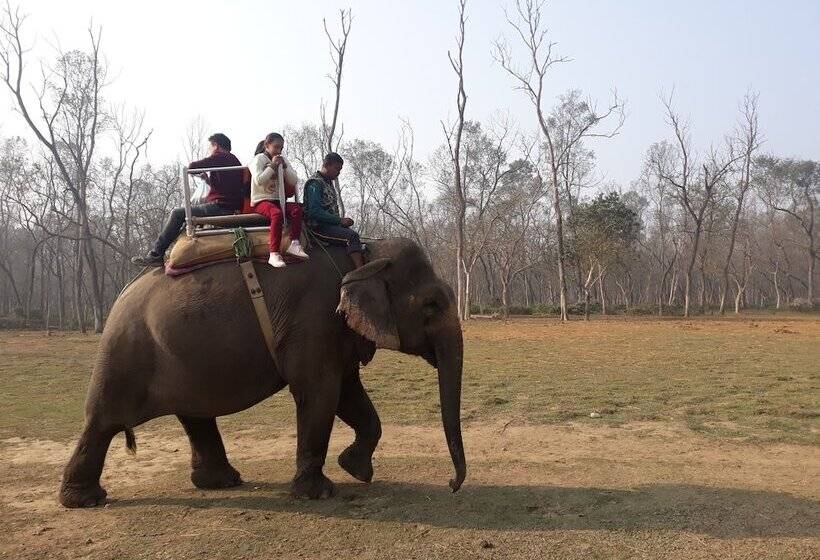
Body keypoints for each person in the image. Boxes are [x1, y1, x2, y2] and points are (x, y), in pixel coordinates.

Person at [132, 133, 246, 266]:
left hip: (222, 208)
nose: (209, 150)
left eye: (210, 147)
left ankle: (156, 254)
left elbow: (192, 166)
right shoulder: (233, 160)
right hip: (229, 206)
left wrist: (205, 164)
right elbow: (225, 189)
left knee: (177, 213)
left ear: (216, 146)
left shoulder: (221, 157)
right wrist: (207, 180)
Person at [249, 132, 308, 267]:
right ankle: (274, 253)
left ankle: (294, 243)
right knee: (276, 214)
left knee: (296, 210)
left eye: (281, 148)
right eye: (276, 147)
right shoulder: (258, 159)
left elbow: (293, 181)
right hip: (261, 201)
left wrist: (285, 167)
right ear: (267, 145)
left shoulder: (282, 159)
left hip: (278, 200)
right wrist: (273, 167)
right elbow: (259, 180)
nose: (278, 151)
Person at [303, 152, 364, 268]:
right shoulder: (315, 183)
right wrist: (339, 220)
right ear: (326, 165)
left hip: (331, 226)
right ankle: (361, 271)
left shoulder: (328, 183)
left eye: (340, 170)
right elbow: (314, 211)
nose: (338, 173)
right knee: (352, 236)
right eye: (336, 169)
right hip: (318, 228)